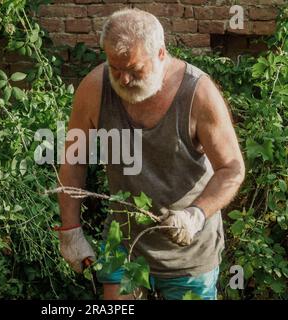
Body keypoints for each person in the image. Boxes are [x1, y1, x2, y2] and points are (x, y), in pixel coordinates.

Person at [56, 8, 245, 300]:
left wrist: (196, 215)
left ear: (160, 54)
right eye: (116, 68)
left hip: (189, 254)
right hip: (124, 244)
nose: (124, 80)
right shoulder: (95, 88)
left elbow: (232, 168)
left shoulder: (198, 94)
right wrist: (70, 231)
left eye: (134, 70)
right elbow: (75, 158)